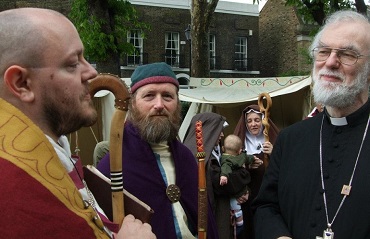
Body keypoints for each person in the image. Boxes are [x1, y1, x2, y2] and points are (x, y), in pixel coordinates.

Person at [0, 7, 155, 239]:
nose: (91, 72)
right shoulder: (13, 187)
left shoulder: (49, 152)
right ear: (22, 83)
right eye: (72, 64)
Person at [252, 10, 370, 239]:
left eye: (347, 54)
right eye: (323, 51)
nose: (330, 62)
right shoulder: (290, 138)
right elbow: (266, 207)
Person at [97, 62, 218, 239]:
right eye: (149, 96)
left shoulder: (187, 159)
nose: (159, 104)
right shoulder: (112, 166)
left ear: (177, 103)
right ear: (132, 104)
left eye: (167, 96)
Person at [183, 112, 250, 239]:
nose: (222, 135)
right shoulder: (203, 158)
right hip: (212, 213)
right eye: (220, 130)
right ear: (209, 130)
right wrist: (244, 175)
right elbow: (223, 185)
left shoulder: (213, 151)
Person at [233, 104, 279, 239]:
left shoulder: (274, 141)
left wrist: (273, 153)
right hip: (248, 198)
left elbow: (287, 167)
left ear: (263, 121)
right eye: (249, 121)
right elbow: (229, 170)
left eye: (257, 120)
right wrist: (246, 166)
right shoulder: (238, 143)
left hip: (269, 195)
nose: (253, 124)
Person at [219, 134, 254, 232]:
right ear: (239, 150)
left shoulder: (225, 159)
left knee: (235, 205)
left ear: (222, 148)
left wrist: (223, 176)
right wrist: (254, 159)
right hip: (244, 188)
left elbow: (225, 168)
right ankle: (239, 222)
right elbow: (248, 158)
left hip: (236, 191)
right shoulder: (242, 156)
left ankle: (239, 221)